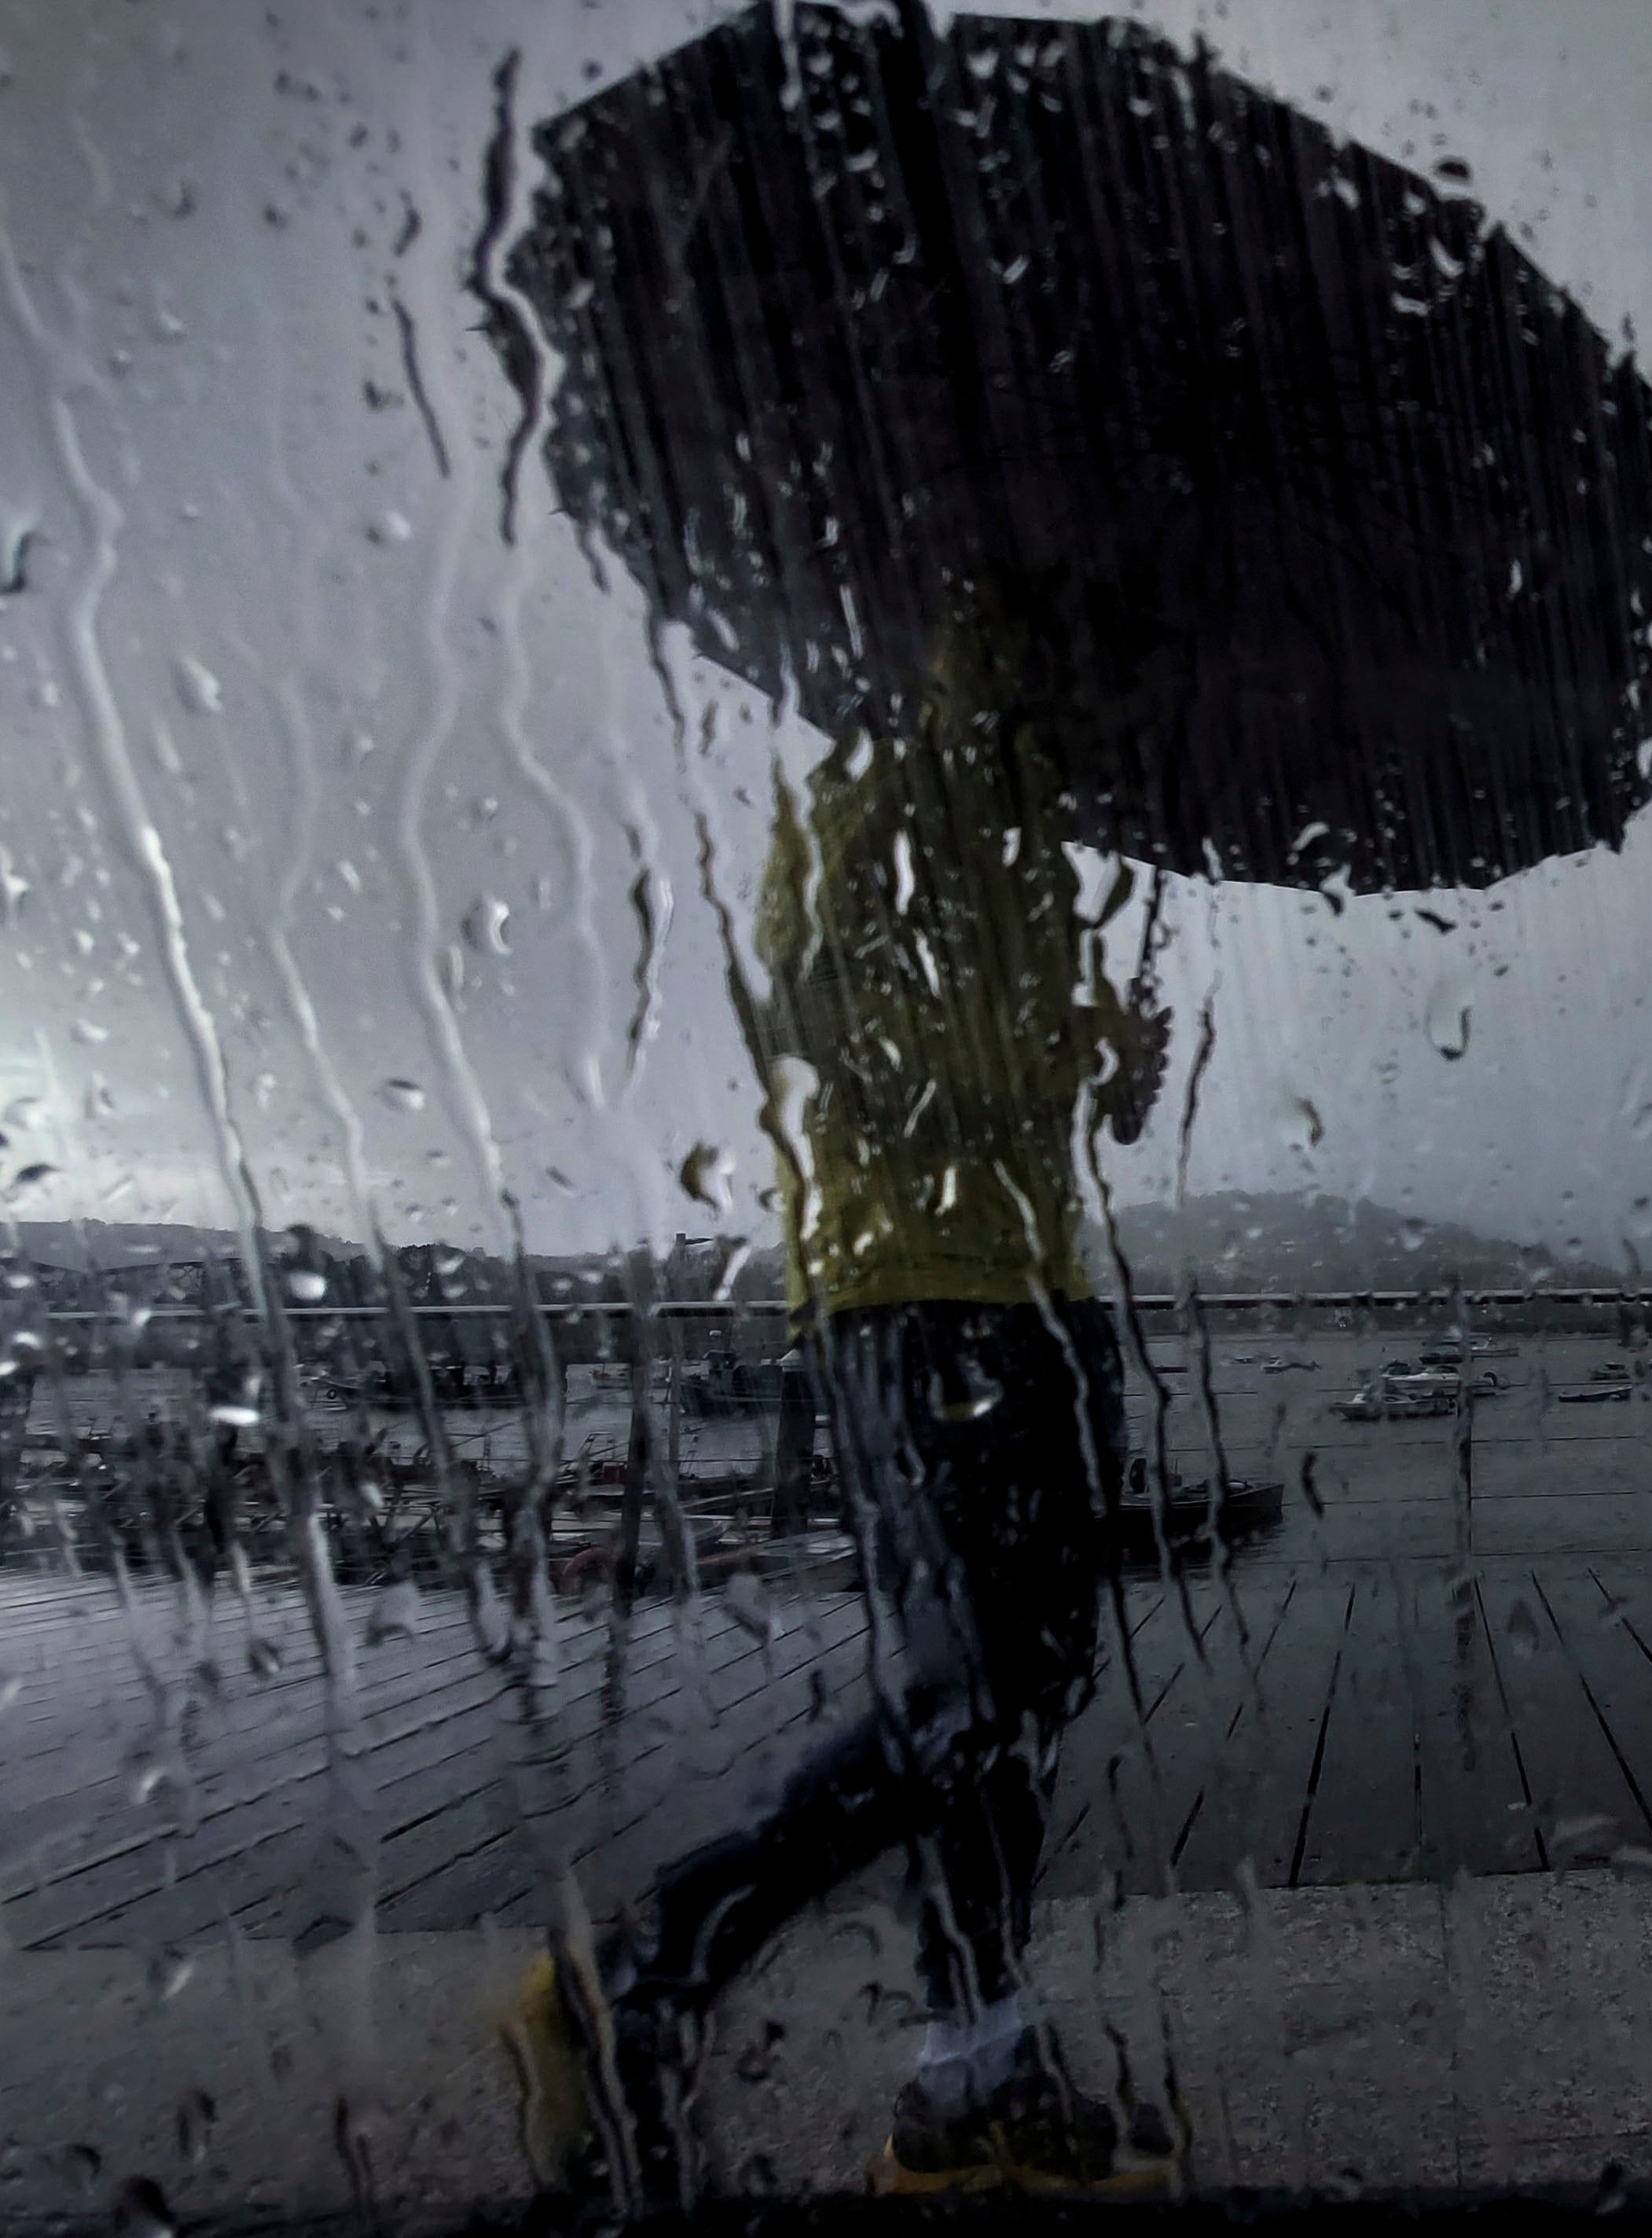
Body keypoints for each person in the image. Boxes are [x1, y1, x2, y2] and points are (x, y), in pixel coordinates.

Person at [505, 582, 1175, 2203]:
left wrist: (1117, 1055)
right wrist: (1050, 1054)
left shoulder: (1034, 850)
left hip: (1029, 1292)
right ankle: (636, 1975)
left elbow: (1054, 1085)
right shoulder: (878, 790)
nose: (1100, 698)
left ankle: (973, 2084)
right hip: (908, 1293)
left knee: (1015, 1709)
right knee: (972, 1693)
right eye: (1073, 662)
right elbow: (800, 1012)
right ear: (1002, 651)